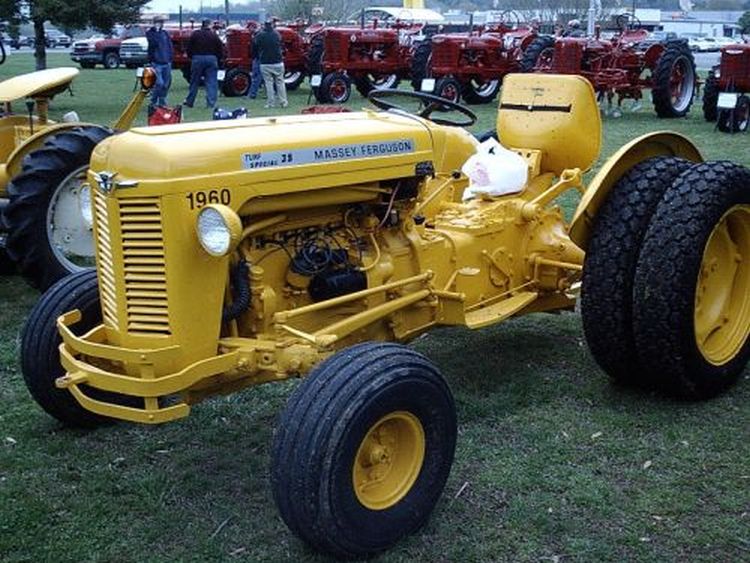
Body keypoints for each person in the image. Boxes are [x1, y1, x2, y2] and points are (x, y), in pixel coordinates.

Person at [184, 19, 224, 108]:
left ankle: (190, 101)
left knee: (194, 81)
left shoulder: (195, 34)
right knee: (211, 82)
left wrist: (192, 57)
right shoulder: (214, 35)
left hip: (197, 58)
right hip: (211, 59)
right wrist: (218, 59)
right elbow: (220, 49)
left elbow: (189, 48)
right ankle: (211, 103)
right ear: (209, 25)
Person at [253, 19, 287, 108]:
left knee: (268, 83)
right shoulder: (277, 34)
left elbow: (255, 46)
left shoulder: (259, 35)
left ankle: (271, 103)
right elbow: (281, 44)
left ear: (264, 25)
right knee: (280, 82)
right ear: (272, 25)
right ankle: (283, 102)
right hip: (278, 61)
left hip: (265, 62)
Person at [146, 15, 173, 107]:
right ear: (154, 23)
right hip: (156, 63)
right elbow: (153, 43)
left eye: (161, 22)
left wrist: (170, 57)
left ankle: (162, 102)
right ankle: (153, 100)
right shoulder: (150, 33)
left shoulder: (165, 33)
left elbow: (169, 45)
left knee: (166, 84)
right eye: (158, 22)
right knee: (159, 83)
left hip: (167, 62)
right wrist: (156, 32)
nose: (160, 24)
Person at [246, 29, 263, 100]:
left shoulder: (254, 40)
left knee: (256, 77)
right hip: (259, 59)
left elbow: (252, 51)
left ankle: (252, 94)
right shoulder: (259, 40)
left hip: (257, 59)